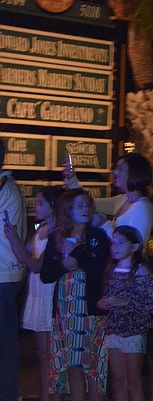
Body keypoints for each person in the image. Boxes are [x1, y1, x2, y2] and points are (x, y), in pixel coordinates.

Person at [41, 189, 111, 401]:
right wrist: (62, 264)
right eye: (80, 205)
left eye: (87, 205)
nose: (85, 209)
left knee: (94, 367)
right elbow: (45, 275)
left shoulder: (98, 237)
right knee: (73, 365)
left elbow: (100, 269)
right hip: (66, 314)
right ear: (68, 210)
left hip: (91, 311)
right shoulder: (56, 238)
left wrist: (75, 252)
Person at [3, 185, 64, 401]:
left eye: (40, 203)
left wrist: (13, 238)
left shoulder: (57, 235)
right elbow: (24, 255)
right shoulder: (42, 230)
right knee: (43, 356)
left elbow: (36, 265)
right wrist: (11, 236)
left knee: (52, 355)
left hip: (49, 296)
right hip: (38, 295)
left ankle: (51, 395)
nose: (35, 206)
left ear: (53, 206)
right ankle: (45, 395)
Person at [97, 225, 153, 401]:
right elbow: (105, 296)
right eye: (113, 243)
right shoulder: (111, 270)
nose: (114, 247)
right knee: (118, 382)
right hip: (113, 330)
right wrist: (103, 302)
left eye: (120, 243)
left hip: (134, 332)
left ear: (134, 247)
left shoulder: (141, 271)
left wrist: (125, 302)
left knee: (133, 382)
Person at [64, 153, 153, 244]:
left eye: (120, 169)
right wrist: (72, 179)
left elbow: (132, 247)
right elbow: (90, 203)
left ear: (134, 173)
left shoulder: (142, 209)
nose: (114, 172)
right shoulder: (123, 200)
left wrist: (105, 225)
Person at [0, 138, 27, 401]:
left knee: (4, 342)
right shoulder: (8, 186)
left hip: (4, 275)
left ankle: (8, 394)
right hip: (6, 274)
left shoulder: (4, 187)